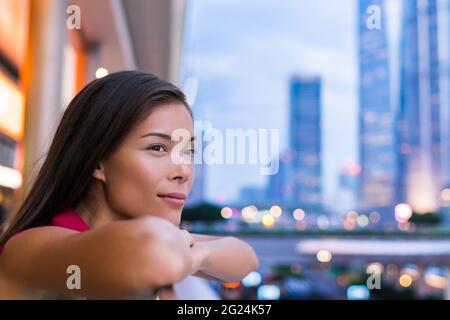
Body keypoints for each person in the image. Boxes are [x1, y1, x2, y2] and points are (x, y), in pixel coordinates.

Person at [0, 71, 259, 299]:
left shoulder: (166, 243)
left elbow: (245, 257)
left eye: (189, 151)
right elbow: (153, 257)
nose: (184, 172)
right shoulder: (29, 249)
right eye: (157, 147)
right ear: (98, 161)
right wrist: (187, 254)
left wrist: (196, 256)